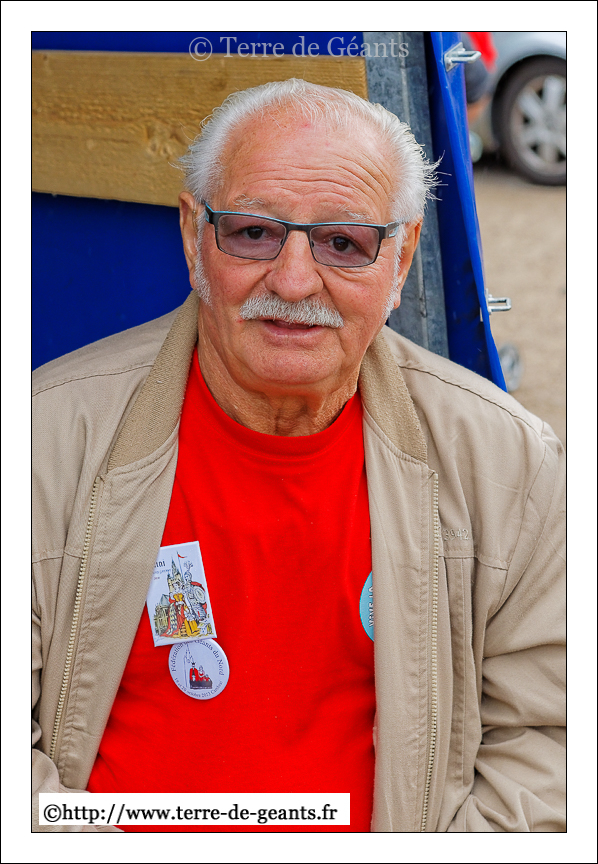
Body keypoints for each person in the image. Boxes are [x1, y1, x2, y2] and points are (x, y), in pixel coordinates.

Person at [32, 78, 565, 832]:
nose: (292, 281)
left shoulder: (510, 466)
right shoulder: (39, 443)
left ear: (402, 260)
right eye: (253, 233)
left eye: (344, 243)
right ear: (192, 236)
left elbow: (550, 740)